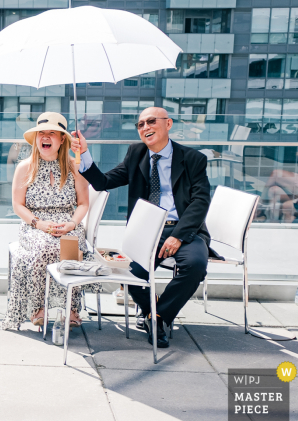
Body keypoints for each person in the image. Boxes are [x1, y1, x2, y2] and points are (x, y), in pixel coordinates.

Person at [73, 107, 212, 349]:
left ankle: (158, 318)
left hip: (184, 229)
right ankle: (155, 315)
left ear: (168, 124)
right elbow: (103, 182)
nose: (145, 127)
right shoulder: (136, 154)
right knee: (129, 274)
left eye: (150, 121)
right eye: (140, 125)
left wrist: (178, 236)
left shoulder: (193, 159)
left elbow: (200, 202)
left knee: (196, 266)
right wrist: (84, 152)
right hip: (148, 231)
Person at [1, 112, 100, 331]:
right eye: (41, 133)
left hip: (68, 222)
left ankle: (72, 308)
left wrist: (72, 224)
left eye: (52, 133)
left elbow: (83, 203)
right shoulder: (24, 167)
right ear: (36, 138)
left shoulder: (75, 166)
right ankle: (39, 308)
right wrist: (39, 223)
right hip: (34, 223)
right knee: (45, 247)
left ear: (62, 139)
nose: (45, 137)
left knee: (70, 246)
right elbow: (18, 206)